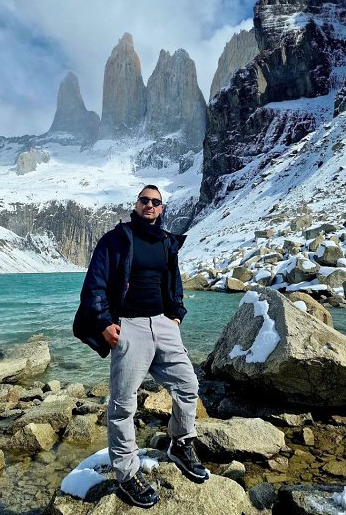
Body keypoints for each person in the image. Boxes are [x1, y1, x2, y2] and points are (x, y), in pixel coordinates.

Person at [77, 185, 208, 507]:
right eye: (144, 200)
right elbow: (94, 284)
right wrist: (104, 322)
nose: (149, 205)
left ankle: (180, 443)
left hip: (163, 324)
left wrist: (175, 315)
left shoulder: (166, 242)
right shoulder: (115, 239)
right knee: (123, 403)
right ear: (136, 205)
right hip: (129, 325)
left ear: (161, 209)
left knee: (188, 385)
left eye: (155, 202)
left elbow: (173, 282)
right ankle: (126, 475)